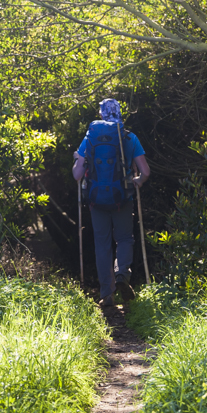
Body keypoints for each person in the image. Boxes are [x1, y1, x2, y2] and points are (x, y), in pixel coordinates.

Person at [73, 98, 150, 307]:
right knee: (125, 239)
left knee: (102, 245)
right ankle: (122, 275)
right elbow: (145, 171)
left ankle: (107, 294)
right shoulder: (129, 137)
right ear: (119, 113)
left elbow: (77, 174)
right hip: (122, 197)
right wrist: (137, 181)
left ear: (101, 114)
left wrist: (77, 159)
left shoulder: (90, 138)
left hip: (96, 199)